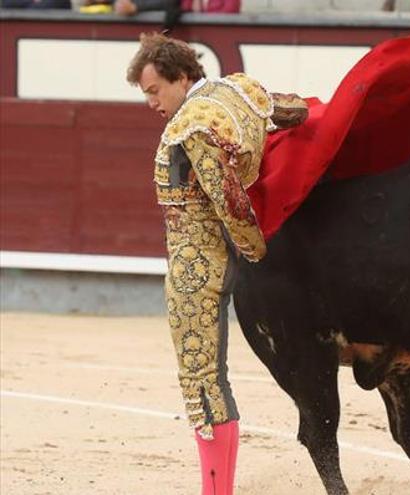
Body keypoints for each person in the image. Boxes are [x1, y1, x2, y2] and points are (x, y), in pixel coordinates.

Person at [126, 32, 306, 495]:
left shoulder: (194, 127)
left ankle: (215, 490)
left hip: (197, 266)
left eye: (153, 91)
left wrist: (255, 249)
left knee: (202, 380)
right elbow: (296, 111)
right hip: (219, 257)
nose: (150, 104)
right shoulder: (240, 89)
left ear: (182, 77)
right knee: (210, 379)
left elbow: (229, 203)